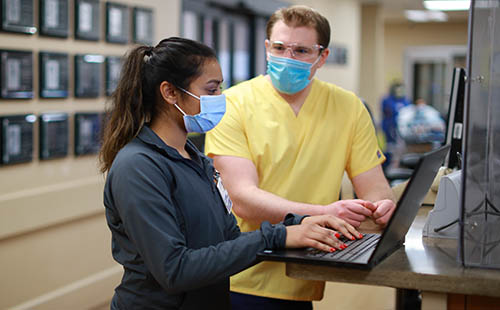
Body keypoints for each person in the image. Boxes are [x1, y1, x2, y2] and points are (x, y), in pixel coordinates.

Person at [98, 37, 362, 310]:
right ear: (170, 93)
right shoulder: (138, 167)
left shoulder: (196, 160)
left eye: (220, 89)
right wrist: (278, 236)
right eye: (211, 90)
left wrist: (301, 224)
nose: (220, 99)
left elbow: (229, 240)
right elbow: (174, 269)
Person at [204, 5, 397, 310]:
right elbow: (242, 199)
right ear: (267, 48)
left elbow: (374, 185)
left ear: (322, 57)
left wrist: (383, 206)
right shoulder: (232, 105)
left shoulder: (349, 108)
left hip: (305, 272)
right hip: (243, 272)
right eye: (279, 48)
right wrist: (322, 212)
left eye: (301, 50)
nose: (287, 58)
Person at [381, 82, 411, 169]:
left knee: (401, 152)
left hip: (402, 132)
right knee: (390, 151)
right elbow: (387, 113)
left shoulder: (406, 101)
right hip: (390, 130)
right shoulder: (387, 101)